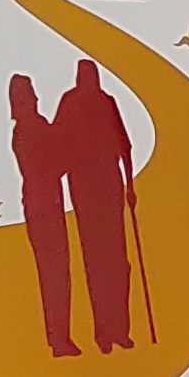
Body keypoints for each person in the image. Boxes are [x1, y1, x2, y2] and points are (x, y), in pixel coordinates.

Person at [56, 57, 141, 354]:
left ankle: (120, 330)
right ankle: (104, 333)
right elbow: (61, 145)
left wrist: (130, 185)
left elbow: (124, 144)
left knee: (117, 262)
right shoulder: (71, 103)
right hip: (86, 191)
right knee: (97, 262)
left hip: (109, 189)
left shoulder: (106, 102)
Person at [8, 70, 76, 359]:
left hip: (41, 204)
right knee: (55, 273)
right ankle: (59, 339)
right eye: (31, 94)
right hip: (44, 205)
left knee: (54, 273)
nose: (36, 98)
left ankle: (59, 337)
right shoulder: (31, 128)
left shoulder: (29, 128)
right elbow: (53, 163)